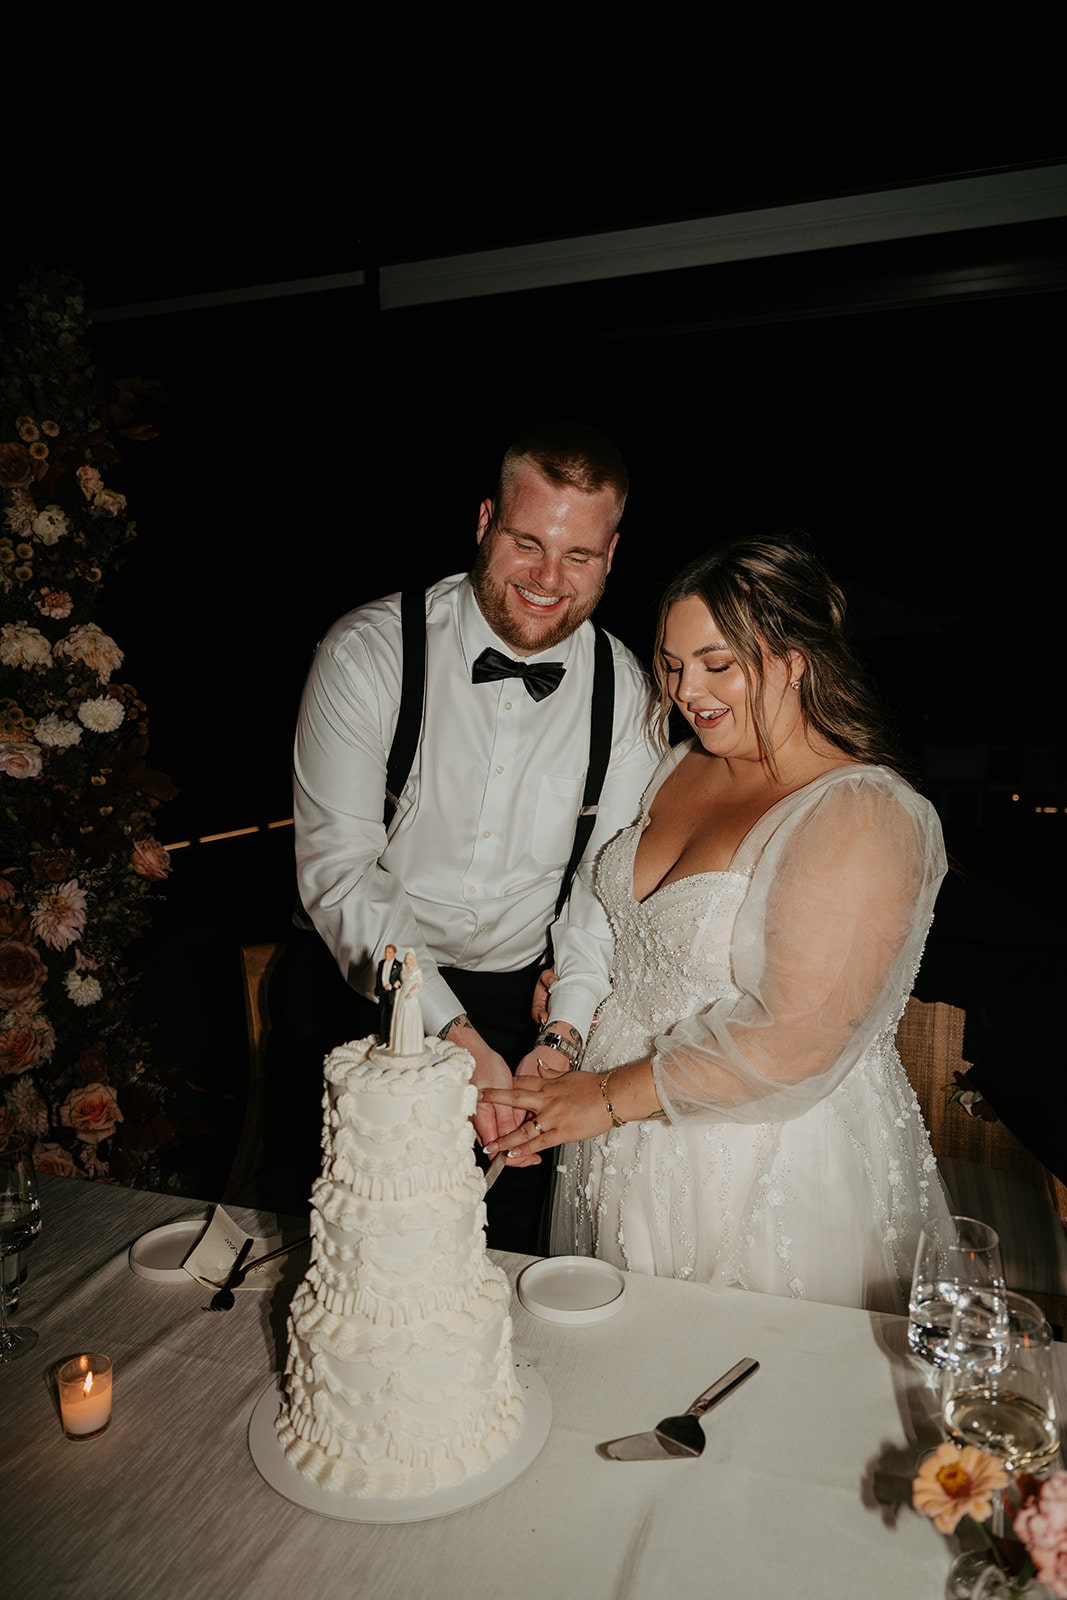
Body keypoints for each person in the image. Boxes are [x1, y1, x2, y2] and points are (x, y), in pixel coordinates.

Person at [480, 533, 951, 1312]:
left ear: (794, 659)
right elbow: (618, 928)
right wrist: (567, 1034)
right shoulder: (677, 763)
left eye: (717, 663)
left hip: (760, 1159)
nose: (687, 689)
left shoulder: (859, 812)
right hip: (620, 1136)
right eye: (671, 663)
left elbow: (794, 1039)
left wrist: (598, 1099)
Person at [289, 420, 660, 1248]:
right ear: (484, 520)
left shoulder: (626, 691)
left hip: (522, 1007)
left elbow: (604, 888)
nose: (547, 579)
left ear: (612, 554)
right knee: (359, 1249)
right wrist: (453, 1043)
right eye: (527, 542)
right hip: (363, 990)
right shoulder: (369, 654)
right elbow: (341, 875)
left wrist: (561, 1036)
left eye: (578, 556)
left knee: (510, 1259)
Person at [389, 950, 425, 1057]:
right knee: (400, 1019)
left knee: (409, 1020)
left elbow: (420, 984)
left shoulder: (417, 971)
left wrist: (411, 993)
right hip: (402, 995)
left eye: (409, 959)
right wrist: (397, 984)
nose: (407, 961)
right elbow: (401, 981)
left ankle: (410, 1047)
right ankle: (400, 1045)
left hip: (411, 999)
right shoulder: (404, 970)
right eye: (406, 958)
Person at [375, 944, 402, 1040]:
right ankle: (382, 1039)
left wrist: (393, 985)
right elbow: (378, 978)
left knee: (392, 1017)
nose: (387, 954)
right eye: (386, 952)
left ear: (394, 953)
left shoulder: (399, 966)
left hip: (392, 994)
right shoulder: (381, 963)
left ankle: (392, 1040)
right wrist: (378, 989)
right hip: (383, 993)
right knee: (382, 1017)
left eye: (389, 952)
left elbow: (402, 980)